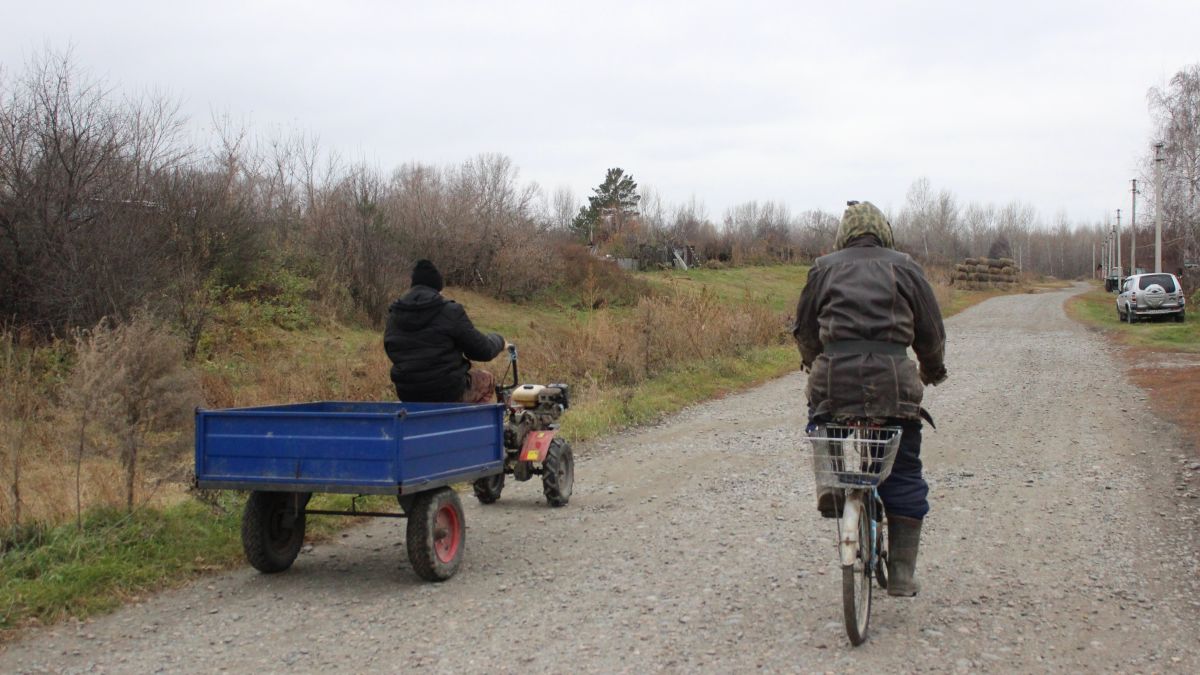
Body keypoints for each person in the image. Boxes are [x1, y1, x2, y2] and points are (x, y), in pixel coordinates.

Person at [792, 200, 947, 597]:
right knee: (905, 468)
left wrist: (813, 363)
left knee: (823, 420)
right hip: (893, 385)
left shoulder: (823, 267)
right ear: (884, 232)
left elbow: (806, 330)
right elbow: (930, 333)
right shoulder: (906, 267)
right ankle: (900, 574)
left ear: (844, 235)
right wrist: (932, 370)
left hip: (835, 383)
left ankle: (829, 480)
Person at [384, 259, 506, 404]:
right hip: (448, 391)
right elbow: (483, 351)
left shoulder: (394, 315)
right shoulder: (449, 311)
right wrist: (500, 341)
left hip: (408, 394)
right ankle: (470, 424)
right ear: (437, 288)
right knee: (486, 379)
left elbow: (391, 348)